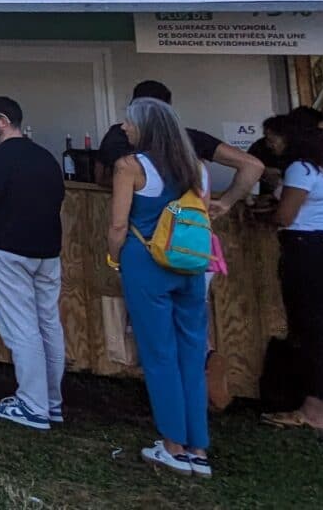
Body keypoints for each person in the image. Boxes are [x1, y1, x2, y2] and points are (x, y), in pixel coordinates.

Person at [108, 97, 213, 475]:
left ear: (146, 128)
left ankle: (172, 445)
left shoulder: (130, 167)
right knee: (192, 354)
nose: (124, 127)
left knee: (159, 355)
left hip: (146, 262)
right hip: (190, 266)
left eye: (129, 122)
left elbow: (118, 226)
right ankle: (198, 449)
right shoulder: (197, 168)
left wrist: (113, 257)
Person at [0, 96, 67, 431]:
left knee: (21, 327)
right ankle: (52, 402)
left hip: (6, 248)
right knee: (48, 324)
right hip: (48, 250)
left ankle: (32, 405)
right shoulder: (46, 157)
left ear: (4, 120)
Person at [260, 120, 323, 433]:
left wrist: (264, 214)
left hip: (306, 252)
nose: (270, 145)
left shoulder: (301, 168)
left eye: (272, 138)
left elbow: (286, 215)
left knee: (311, 331)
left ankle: (314, 411)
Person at [95, 82, 262, 215]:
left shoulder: (119, 135)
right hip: (185, 235)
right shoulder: (190, 138)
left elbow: (101, 176)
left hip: (141, 231)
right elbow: (253, 166)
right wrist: (225, 203)